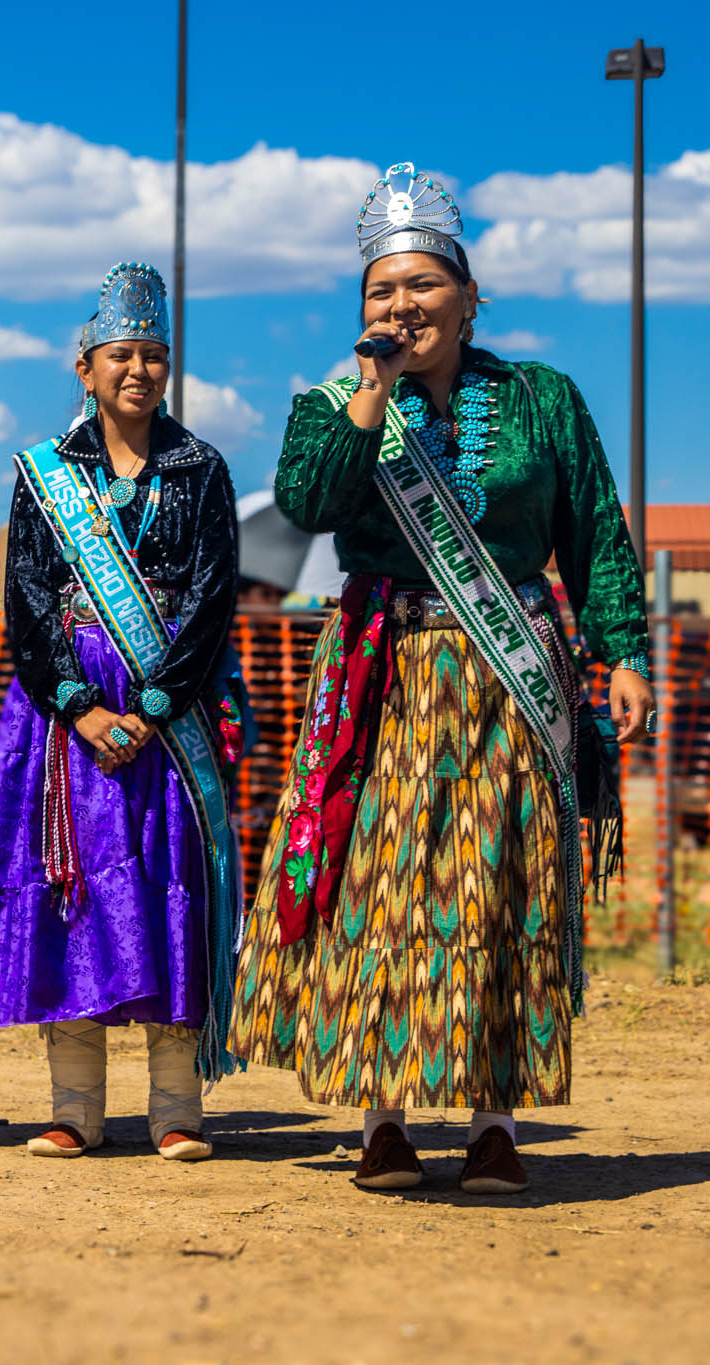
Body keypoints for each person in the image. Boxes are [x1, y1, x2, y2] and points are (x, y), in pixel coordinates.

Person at [230, 164, 654, 1195]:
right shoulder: (334, 405)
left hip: (505, 683)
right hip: (382, 677)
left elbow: (591, 528)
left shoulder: (537, 399)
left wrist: (622, 650)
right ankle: (381, 1116)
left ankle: (491, 1121)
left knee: (493, 886)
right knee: (379, 890)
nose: (399, 306)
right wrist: (368, 394)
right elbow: (306, 503)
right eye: (380, 291)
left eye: (420, 285)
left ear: (468, 296)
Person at [0, 263, 242, 1161]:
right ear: (85, 367)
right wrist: (81, 708)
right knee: (71, 893)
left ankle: (175, 1109)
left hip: (168, 709)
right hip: (65, 725)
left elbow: (211, 600)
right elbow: (28, 600)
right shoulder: (46, 475)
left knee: (170, 892)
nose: (139, 370)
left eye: (154, 355)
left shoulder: (201, 470)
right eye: (121, 354)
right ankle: (75, 1107)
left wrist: (155, 704)